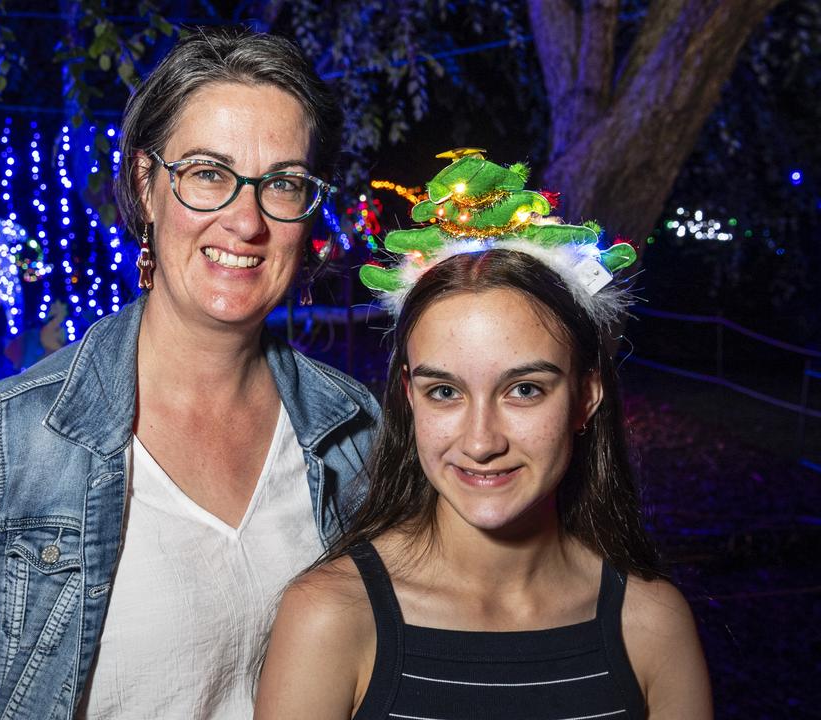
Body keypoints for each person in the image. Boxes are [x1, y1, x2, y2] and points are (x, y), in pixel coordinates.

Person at [0, 28, 380, 720]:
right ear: (146, 186)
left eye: (283, 182)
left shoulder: (357, 431)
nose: (245, 220)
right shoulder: (16, 439)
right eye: (207, 173)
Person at [255, 153, 713, 719]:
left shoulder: (651, 625)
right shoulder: (331, 617)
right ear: (408, 396)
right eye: (444, 392)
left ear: (586, 396)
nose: (480, 441)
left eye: (524, 390)